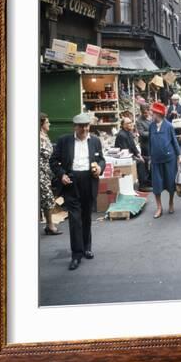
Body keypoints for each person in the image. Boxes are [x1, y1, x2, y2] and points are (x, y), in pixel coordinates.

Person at [50, 113, 106, 271]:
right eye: (82, 126)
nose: (85, 129)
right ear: (75, 127)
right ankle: (76, 254)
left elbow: (101, 159)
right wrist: (62, 175)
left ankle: (87, 247)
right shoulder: (64, 141)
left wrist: (100, 167)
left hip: (89, 180)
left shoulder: (94, 141)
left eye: (87, 126)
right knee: (75, 219)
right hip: (72, 182)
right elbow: (53, 161)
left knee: (86, 215)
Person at [148, 102, 181, 218]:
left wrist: (179, 156)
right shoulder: (151, 126)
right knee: (157, 185)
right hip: (156, 160)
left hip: (169, 159)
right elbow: (150, 143)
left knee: (170, 183)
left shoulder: (168, 126)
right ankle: (159, 207)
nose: (151, 115)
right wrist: (149, 157)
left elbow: (174, 141)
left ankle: (171, 202)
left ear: (158, 114)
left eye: (153, 113)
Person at [39, 113, 62, 235]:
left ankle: (49, 225)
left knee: (47, 197)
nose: (49, 124)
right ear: (41, 124)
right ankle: (50, 225)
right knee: (47, 197)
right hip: (40, 172)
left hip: (47, 173)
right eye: (47, 122)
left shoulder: (45, 136)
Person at [115, 116, 150, 191]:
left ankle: (147, 181)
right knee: (140, 162)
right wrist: (137, 158)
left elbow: (133, 147)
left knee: (148, 159)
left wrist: (139, 155)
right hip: (124, 158)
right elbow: (125, 152)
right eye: (128, 123)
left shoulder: (129, 133)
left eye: (131, 122)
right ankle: (142, 185)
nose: (131, 124)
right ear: (123, 125)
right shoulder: (121, 135)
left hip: (130, 155)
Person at [136, 104, 152, 187]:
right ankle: (146, 180)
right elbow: (142, 133)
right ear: (141, 112)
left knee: (152, 161)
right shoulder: (139, 121)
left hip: (153, 143)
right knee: (146, 162)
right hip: (146, 145)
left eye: (147, 112)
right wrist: (152, 132)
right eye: (144, 113)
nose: (146, 114)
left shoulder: (151, 117)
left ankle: (151, 178)